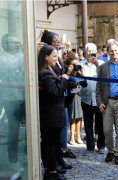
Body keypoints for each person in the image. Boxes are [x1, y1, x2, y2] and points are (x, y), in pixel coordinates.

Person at [38, 45, 74, 180]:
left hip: (51, 114)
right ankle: (51, 172)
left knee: (50, 143)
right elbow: (54, 93)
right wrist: (64, 79)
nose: (56, 58)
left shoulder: (48, 70)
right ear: (46, 57)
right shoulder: (46, 72)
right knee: (49, 144)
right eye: (54, 56)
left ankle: (50, 169)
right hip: (51, 115)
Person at [96, 40, 118, 165]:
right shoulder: (103, 67)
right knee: (107, 130)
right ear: (108, 52)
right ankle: (110, 151)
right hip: (107, 102)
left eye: (116, 50)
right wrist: (99, 102)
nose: (114, 53)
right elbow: (98, 87)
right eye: (111, 51)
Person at [0, 33, 25, 171]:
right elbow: (17, 63)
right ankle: (13, 160)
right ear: (5, 45)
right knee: (14, 131)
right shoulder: (3, 59)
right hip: (11, 99)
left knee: (29, 131)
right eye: (12, 42)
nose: (16, 44)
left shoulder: (19, 56)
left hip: (23, 97)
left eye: (17, 42)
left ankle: (25, 155)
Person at [80, 43, 106, 155]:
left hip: (99, 99)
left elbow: (105, 76)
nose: (91, 53)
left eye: (93, 50)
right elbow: (77, 79)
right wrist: (78, 90)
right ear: (85, 52)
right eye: (89, 51)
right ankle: (90, 146)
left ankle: (101, 145)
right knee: (88, 123)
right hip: (86, 98)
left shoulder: (101, 64)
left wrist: (97, 64)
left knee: (101, 123)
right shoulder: (80, 64)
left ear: (97, 51)